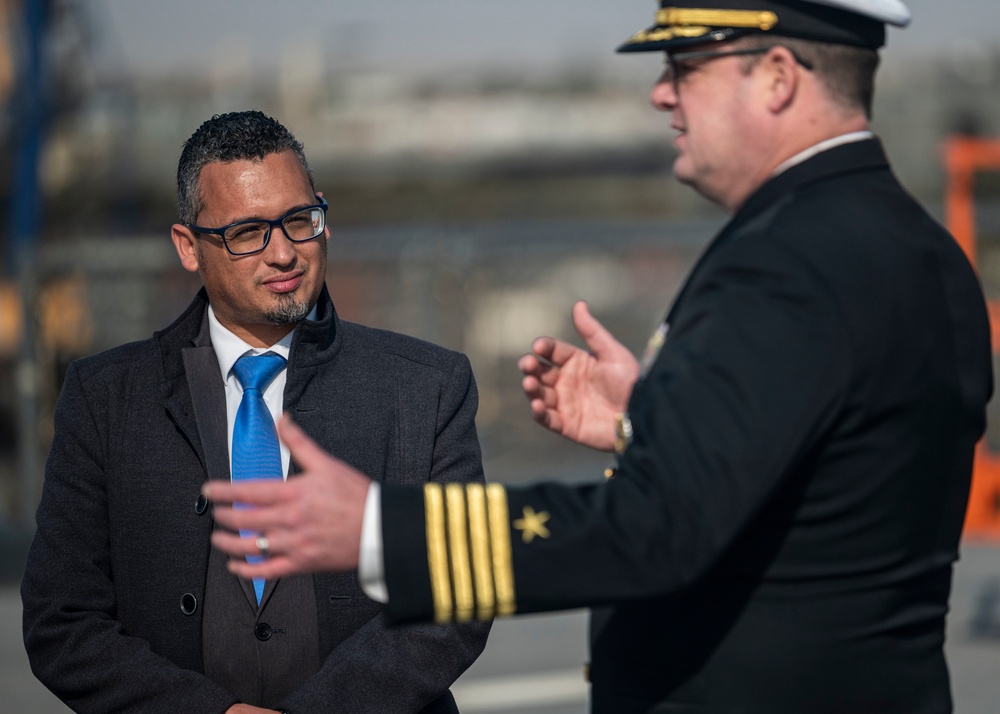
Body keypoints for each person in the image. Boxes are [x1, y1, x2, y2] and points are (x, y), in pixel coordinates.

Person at [203, 2, 994, 712]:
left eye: (685, 67)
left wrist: (383, 531)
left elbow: (657, 529)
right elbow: (836, 485)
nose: (661, 93)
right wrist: (655, 420)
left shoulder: (785, 263)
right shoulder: (917, 245)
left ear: (779, 77)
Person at [21, 110, 490, 714]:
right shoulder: (104, 396)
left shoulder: (426, 387)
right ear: (188, 247)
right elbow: (62, 619)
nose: (284, 253)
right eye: (247, 232)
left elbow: (461, 591)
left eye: (300, 221)